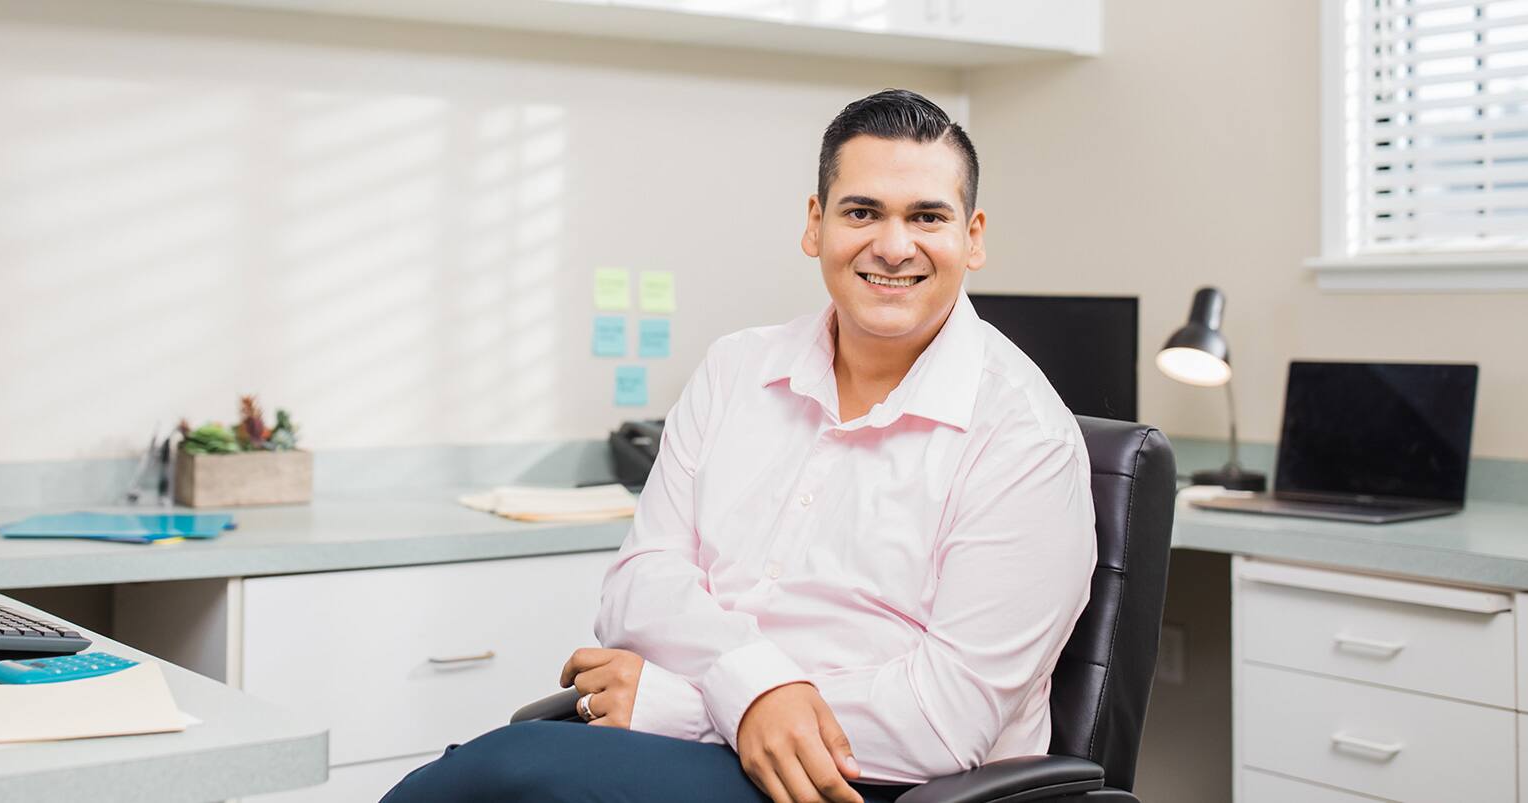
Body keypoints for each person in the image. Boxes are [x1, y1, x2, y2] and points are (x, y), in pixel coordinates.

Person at [382, 89, 1096, 803]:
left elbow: (946, 724)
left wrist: (691, 704)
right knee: (466, 780)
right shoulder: (736, 371)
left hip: (875, 785)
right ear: (815, 224)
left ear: (971, 237)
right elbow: (638, 587)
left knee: (507, 774)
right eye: (862, 211)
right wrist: (756, 686)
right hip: (710, 760)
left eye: (926, 217)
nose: (893, 244)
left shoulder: (1024, 439)